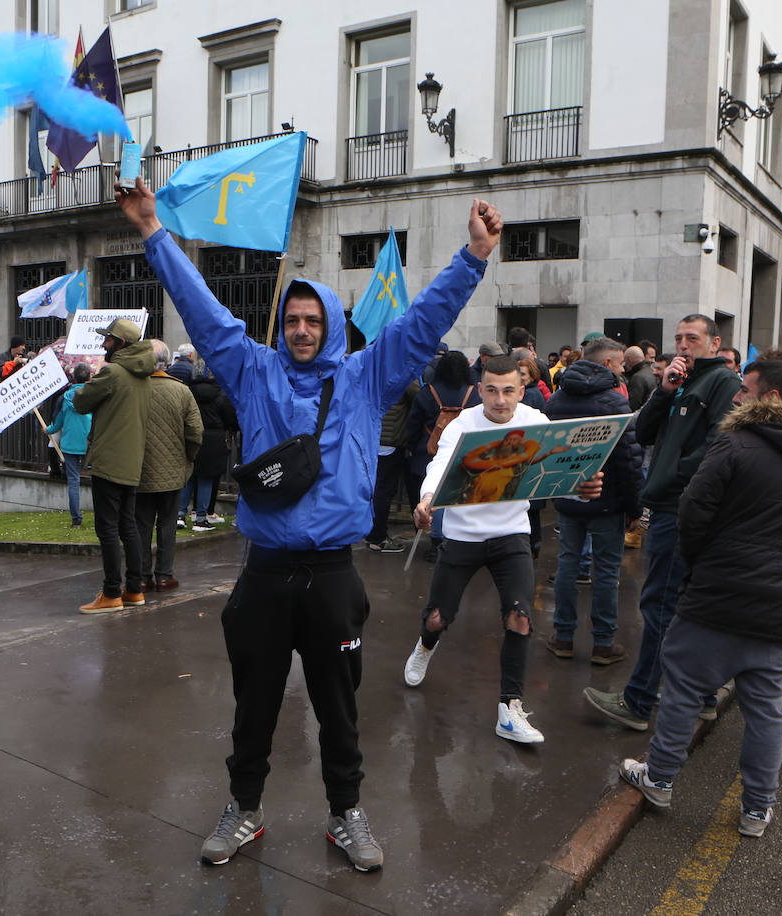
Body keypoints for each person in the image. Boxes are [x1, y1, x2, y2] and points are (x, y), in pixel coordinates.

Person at [116, 175, 503, 872]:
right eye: (291, 321)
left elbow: (421, 324)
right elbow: (201, 312)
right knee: (254, 705)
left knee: (338, 706)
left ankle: (346, 814)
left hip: (331, 577)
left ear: (330, 324)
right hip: (264, 575)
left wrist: (471, 258)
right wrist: (152, 232)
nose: (300, 331)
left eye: (312, 320)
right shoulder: (250, 369)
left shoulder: (366, 376)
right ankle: (244, 808)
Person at [620, 360, 782, 837]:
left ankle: (659, 778)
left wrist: (705, 563)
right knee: (766, 710)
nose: (736, 398)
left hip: (715, 596)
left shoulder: (735, 444)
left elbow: (692, 512)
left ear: (772, 398)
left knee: (683, 692)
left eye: (746, 391)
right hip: (781, 604)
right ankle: (757, 809)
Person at [403, 354, 574, 745]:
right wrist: (426, 500)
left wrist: (583, 484)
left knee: (519, 618)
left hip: (511, 533)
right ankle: (426, 646)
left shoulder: (536, 421)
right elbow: (440, 464)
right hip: (462, 537)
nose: (500, 400)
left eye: (509, 391)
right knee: (436, 618)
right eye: (492, 391)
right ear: (480, 389)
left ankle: (509, 709)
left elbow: (563, 466)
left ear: (523, 388)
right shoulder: (463, 425)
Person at [584, 314, 739, 731]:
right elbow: (646, 433)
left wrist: (673, 476)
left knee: (661, 604)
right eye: (678, 338)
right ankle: (702, 695)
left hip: (680, 507)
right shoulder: (681, 380)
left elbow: (720, 444)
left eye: (692, 338)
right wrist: (664, 391)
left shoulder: (722, 383)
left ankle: (638, 700)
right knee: (681, 605)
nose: (683, 345)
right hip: (672, 504)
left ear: (714, 342)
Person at [545, 344, 643, 665]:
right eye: (619, 364)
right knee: (606, 572)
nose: (623, 369)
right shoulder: (615, 402)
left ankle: (562, 637)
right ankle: (603, 642)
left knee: (567, 565)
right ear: (607, 362)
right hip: (608, 500)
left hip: (568, 497)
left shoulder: (556, 400)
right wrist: (634, 507)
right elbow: (628, 460)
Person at [72, 318, 155, 613]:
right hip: (132, 460)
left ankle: (111, 593)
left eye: (107, 339)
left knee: (107, 529)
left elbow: (81, 402)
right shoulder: (144, 374)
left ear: (120, 344)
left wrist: (88, 381)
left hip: (109, 460)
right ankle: (134, 590)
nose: (103, 344)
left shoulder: (113, 372)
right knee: (128, 526)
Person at [135, 340, 202, 592]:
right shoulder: (182, 391)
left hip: (140, 469)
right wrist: (189, 457)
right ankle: (164, 575)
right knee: (167, 524)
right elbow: (196, 432)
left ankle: (141, 576)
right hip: (174, 470)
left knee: (141, 525)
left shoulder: (135, 389)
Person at [406, 350, 480, 561]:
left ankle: (435, 543)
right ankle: (456, 540)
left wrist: (412, 447)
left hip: (427, 452)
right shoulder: (473, 392)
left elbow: (413, 424)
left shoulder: (427, 391)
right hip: (464, 452)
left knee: (431, 498)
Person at [366, 381, 419, 553]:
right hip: (391, 440)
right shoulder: (403, 378)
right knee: (384, 490)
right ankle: (377, 537)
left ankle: (373, 534)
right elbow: (420, 397)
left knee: (377, 488)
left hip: (375, 437)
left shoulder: (376, 372)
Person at [183, 369, 237, 530]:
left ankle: (179, 514)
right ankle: (201, 517)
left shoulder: (189, 392)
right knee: (206, 479)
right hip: (214, 440)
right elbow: (230, 419)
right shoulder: (220, 395)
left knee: (189, 478)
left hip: (192, 435)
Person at [46, 363, 94, 527]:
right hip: (90, 442)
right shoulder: (93, 395)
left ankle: (76, 519)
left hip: (70, 443)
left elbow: (58, 422)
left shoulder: (65, 397)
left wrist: (48, 430)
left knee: (73, 481)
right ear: (89, 377)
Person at [624, 345, 656, 412]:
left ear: (629, 359)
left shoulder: (637, 377)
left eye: (625, 360)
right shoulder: (653, 371)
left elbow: (633, 405)